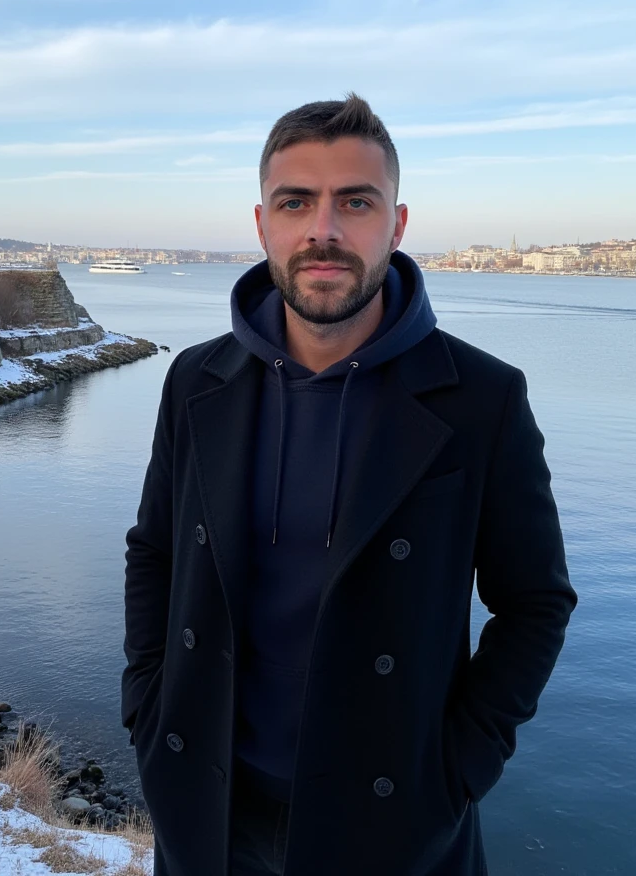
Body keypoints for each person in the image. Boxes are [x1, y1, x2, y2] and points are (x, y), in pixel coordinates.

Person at [121, 93, 578, 875]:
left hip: (392, 825)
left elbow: (536, 602)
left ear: (395, 225)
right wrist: (147, 710)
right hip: (206, 811)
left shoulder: (480, 398)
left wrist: (459, 767)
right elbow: (155, 551)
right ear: (263, 224)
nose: (322, 230)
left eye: (354, 202)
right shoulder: (197, 381)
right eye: (295, 202)